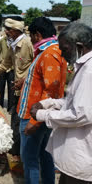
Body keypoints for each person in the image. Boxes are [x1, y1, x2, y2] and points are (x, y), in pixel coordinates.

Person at [30, 23, 92, 184]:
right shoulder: (84, 66)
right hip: (76, 158)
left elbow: (80, 114)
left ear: (79, 46)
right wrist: (48, 103)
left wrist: (42, 114)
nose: (62, 55)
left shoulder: (89, 71)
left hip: (82, 158)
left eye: (65, 49)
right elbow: (74, 101)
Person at [17, 17, 67, 184]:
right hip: (42, 115)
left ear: (37, 35)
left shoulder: (49, 53)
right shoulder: (52, 51)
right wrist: (25, 82)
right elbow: (44, 78)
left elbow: (51, 89)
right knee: (45, 155)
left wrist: (34, 120)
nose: (30, 40)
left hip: (36, 115)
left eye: (31, 36)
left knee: (30, 158)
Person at [0, 17, 34, 161]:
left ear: (16, 31)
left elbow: (36, 66)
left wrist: (24, 80)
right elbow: (5, 64)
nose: (6, 31)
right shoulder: (12, 45)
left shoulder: (28, 44)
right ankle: (15, 149)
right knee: (15, 119)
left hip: (28, 90)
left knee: (22, 120)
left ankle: (19, 152)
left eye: (8, 29)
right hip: (17, 89)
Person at [0, 35, 14, 112]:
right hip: (2, 66)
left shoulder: (16, 41)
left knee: (11, 87)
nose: (7, 32)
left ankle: (10, 107)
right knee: (0, 86)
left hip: (12, 67)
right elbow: (0, 51)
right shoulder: (2, 40)